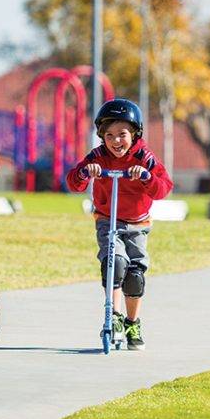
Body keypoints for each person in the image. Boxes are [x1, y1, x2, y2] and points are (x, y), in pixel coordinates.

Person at [65, 98, 174, 351]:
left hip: (138, 224)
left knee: (134, 276)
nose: (116, 141)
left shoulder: (144, 157)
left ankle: (132, 323)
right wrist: (85, 172)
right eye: (110, 135)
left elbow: (163, 188)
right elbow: (73, 182)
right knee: (115, 263)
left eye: (122, 135)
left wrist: (146, 177)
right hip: (108, 220)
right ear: (102, 136)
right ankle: (112, 316)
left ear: (135, 134)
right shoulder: (98, 156)